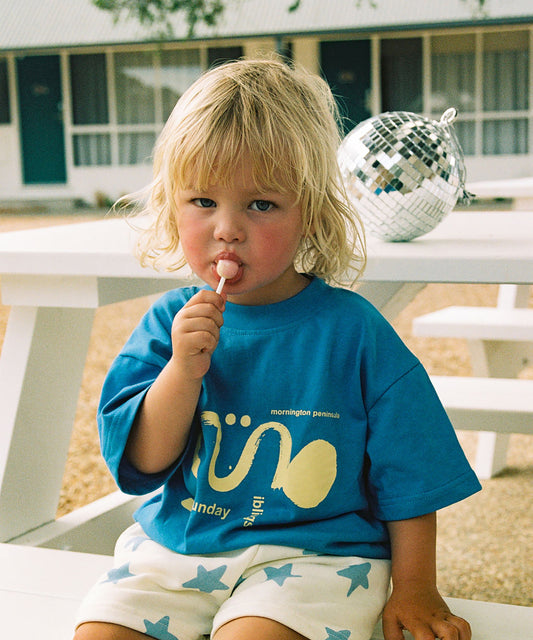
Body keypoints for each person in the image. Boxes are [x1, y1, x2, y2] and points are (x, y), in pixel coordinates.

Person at [74, 58, 481, 640]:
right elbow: (141, 462)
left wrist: (415, 586)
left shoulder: (353, 331)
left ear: (311, 215)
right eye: (203, 202)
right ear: (171, 205)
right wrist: (181, 375)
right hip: (174, 548)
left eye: (260, 205)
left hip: (314, 557)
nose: (227, 229)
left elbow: (410, 470)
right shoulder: (168, 323)